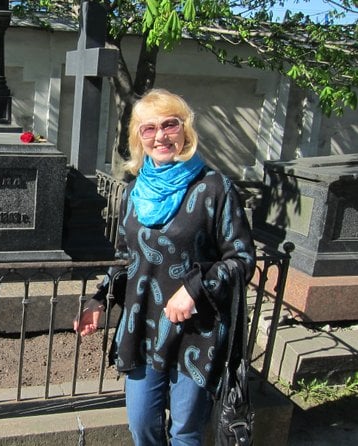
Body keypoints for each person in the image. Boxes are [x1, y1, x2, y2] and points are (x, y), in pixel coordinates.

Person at [74, 88, 256, 446]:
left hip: (196, 330)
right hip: (142, 328)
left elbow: (242, 259)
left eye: (170, 125)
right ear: (138, 137)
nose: (160, 136)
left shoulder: (214, 189)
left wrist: (194, 288)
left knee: (186, 432)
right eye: (149, 128)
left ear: (185, 131)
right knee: (142, 426)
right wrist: (100, 299)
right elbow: (127, 257)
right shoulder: (133, 192)